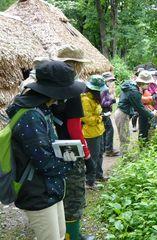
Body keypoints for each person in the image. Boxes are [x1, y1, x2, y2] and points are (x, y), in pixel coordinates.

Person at [6, 60, 84, 240]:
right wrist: (71, 162)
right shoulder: (31, 115)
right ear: (55, 91)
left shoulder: (41, 108)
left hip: (49, 188)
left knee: (59, 233)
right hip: (37, 192)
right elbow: (45, 163)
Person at [50, 45, 95, 240]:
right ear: (76, 66)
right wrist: (87, 154)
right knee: (74, 196)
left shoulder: (47, 87)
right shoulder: (73, 89)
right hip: (70, 149)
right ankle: (73, 236)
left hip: (51, 146)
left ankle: (64, 233)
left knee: (60, 192)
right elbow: (75, 127)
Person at [115, 71, 156, 154]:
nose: (148, 86)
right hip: (122, 114)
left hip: (121, 112)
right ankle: (124, 158)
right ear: (142, 83)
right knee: (125, 137)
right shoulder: (134, 92)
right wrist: (152, 114)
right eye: (147, 84)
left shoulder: (131, 86)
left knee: (125, 135)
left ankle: (125, 155)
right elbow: (140, 108)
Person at [81, 75, 107, 187]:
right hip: (90, 133)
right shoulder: (85, 100)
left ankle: (99, 175)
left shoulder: (94, 98)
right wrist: (100, 117)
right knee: (93, 157)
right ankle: (90, 181)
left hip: (99, 130)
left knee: (100, 153)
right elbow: (86, 119)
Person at [101, 72, 120, 157]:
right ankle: (109, 150)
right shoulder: (104, 89)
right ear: (106, 80)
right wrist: (113, 100)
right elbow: (103, 103)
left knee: (105, 130)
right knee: (109, 130)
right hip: (104, 112)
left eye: (112, 80)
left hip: (102, 112)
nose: (111, 82)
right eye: (110, 80)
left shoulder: (102, 88)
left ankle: (106, 148)